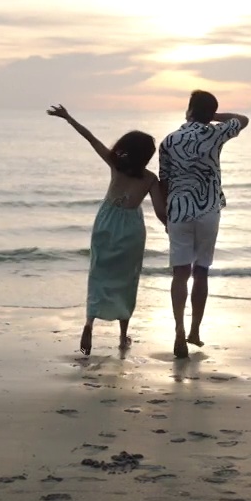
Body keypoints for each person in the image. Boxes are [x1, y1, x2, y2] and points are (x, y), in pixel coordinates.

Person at [48, 104, 167, 355]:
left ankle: (89, 323)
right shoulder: (149, 179)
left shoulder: (115, 165)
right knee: (127, 278)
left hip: (106, 221)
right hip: (131, 229)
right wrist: (172, 228)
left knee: (98, 272)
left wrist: (68, 117)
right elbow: (160, 212)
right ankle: (123, 336)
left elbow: (91, 138)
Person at [158, 90, 249, 358]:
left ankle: (178, 330)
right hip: (208, 210)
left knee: (180, 273)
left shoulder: (169, 141)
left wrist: (166, 216)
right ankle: (195, 330)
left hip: (178, 210)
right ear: (210, 113)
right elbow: (243, 119)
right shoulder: (215, 133)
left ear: (188, 110)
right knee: (201, 271)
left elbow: (164, 181)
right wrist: (214, 118)